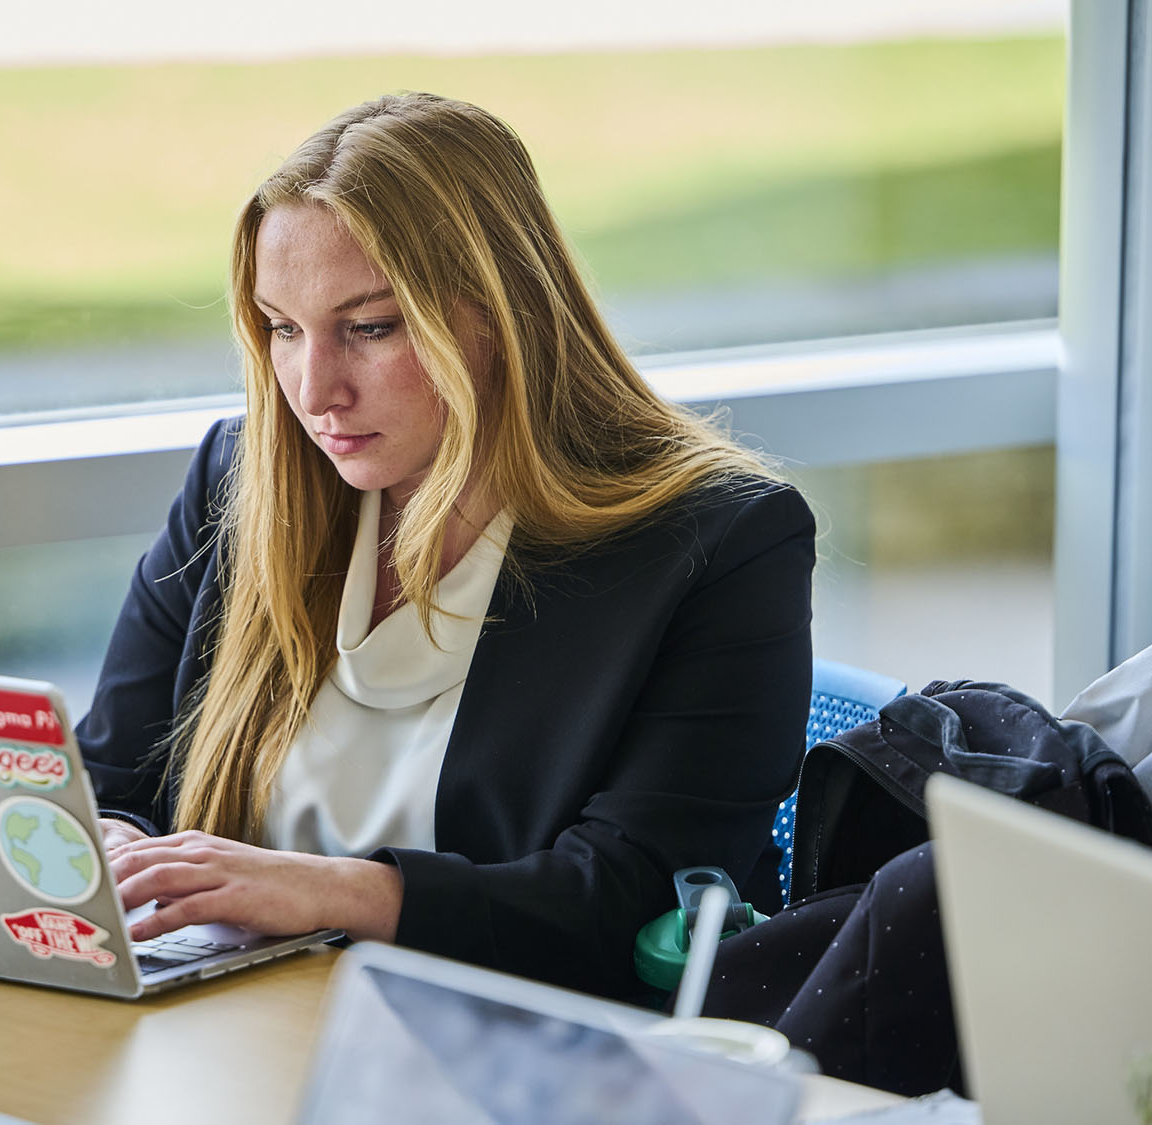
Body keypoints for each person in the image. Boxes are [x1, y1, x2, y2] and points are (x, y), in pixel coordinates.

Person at [76, 92, 815, 999]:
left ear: (503, 316)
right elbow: (111, 775)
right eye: (283, 328)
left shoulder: (716, 542)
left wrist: (330, 892)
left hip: (523, 1063)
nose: (315, 391)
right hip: (237, 1029)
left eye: (371, 328)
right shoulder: (244, 480)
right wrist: (104, 842)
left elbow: (634, 899)